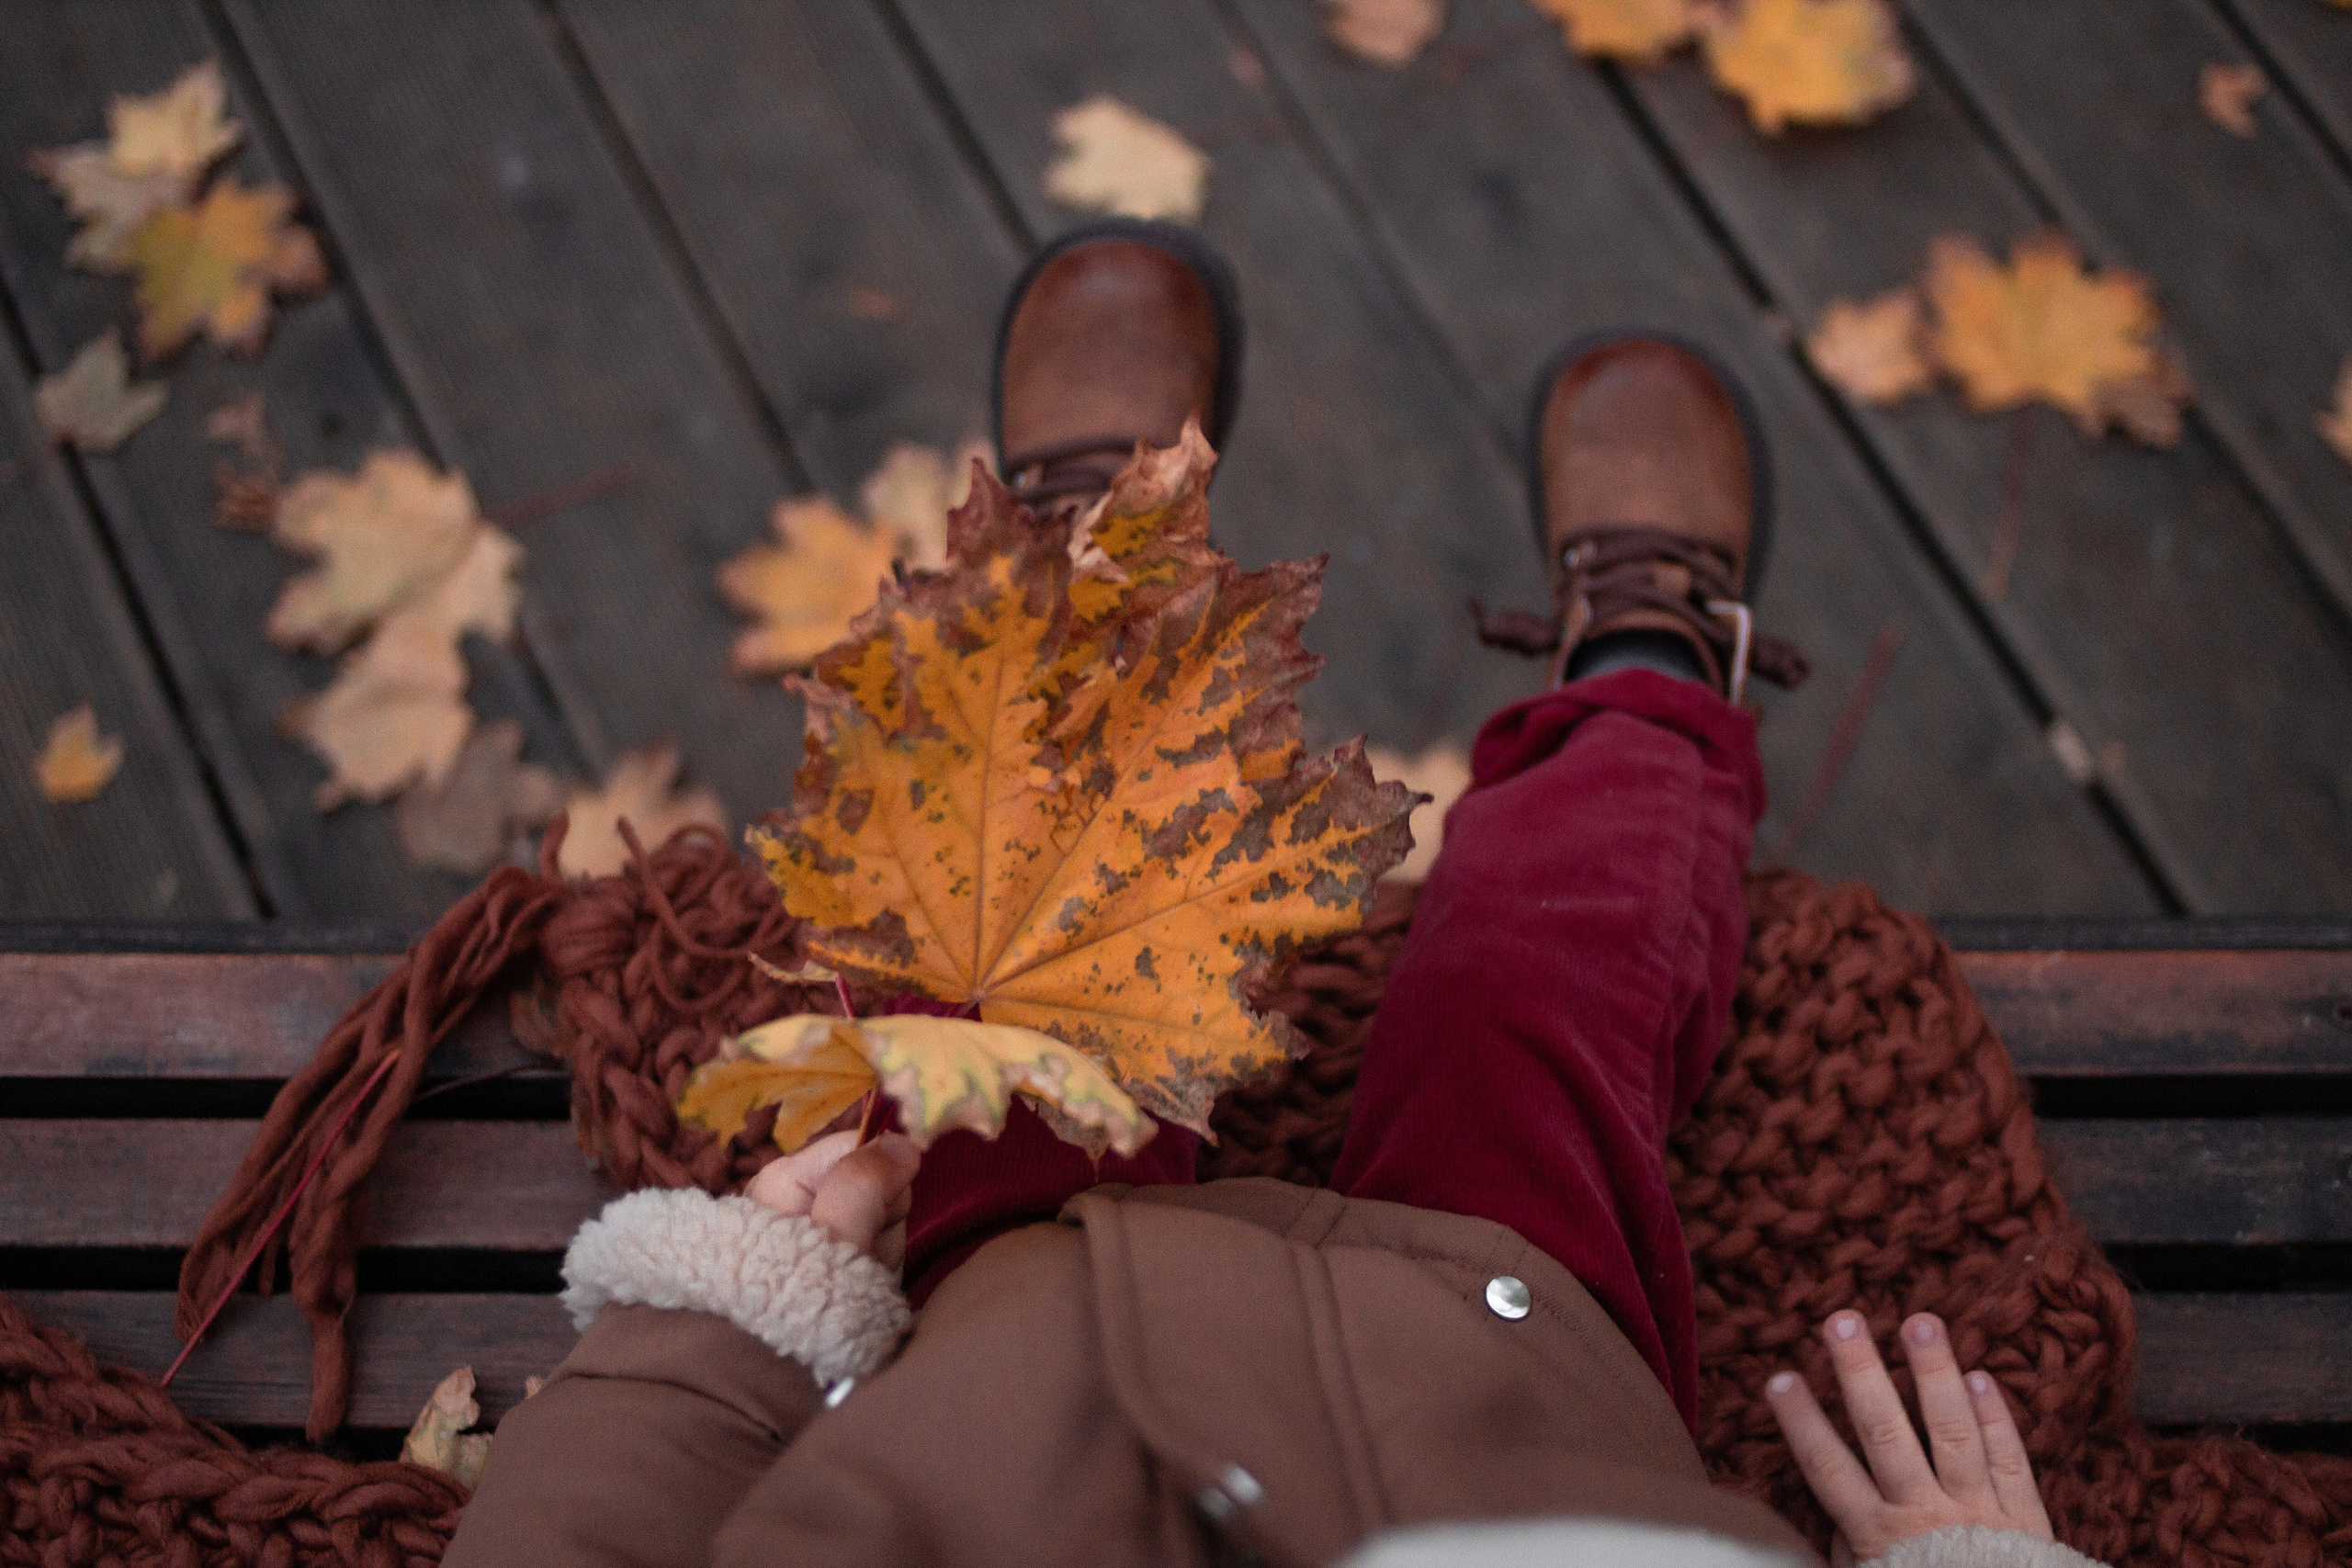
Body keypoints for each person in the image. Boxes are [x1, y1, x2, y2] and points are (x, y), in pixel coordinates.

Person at [443, 221, 2096, 1568]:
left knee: (995, 920)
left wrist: (717, 1342)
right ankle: (1653, 671)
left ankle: (1088, 572)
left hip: (1015, 1363)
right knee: (1548, 963)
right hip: (1518, 1389)